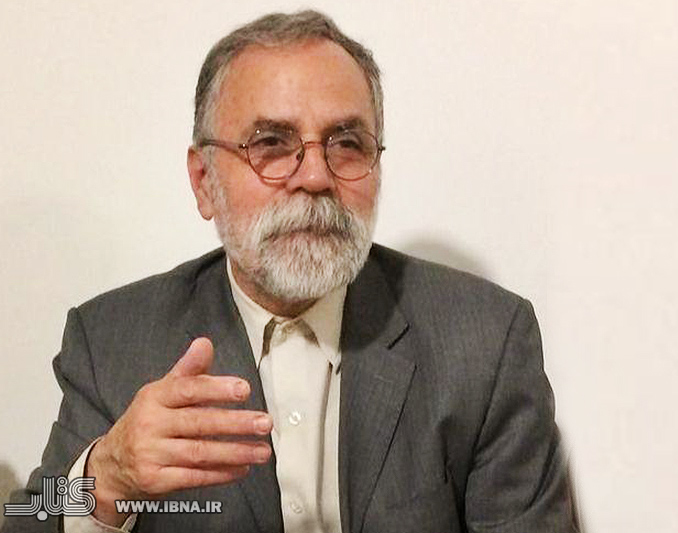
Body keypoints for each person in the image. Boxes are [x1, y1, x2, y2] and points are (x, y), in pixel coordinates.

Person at [2, 10, 579, 533]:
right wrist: (105, 478)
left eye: (346, 143)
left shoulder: (484, 342)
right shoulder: (112, 342)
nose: (316, 177)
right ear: (204, 182)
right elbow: (29, 514)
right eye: (272, 144)